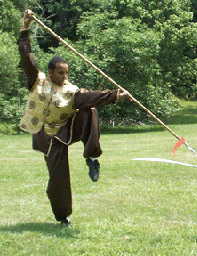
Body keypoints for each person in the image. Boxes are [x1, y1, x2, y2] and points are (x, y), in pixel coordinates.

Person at [18, 10, 130, 228]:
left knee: (90, 110)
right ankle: (63, 217)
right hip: (49, 137)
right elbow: (26, 56)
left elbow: (90, 97)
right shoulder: (37, 80)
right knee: (58, 179)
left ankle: (92, 158)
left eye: (66, 73)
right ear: (50, 72)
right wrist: (25, 27)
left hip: (66, 128)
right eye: (60, 73)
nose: (64, 77)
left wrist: (116, 95)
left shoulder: (70, 90)